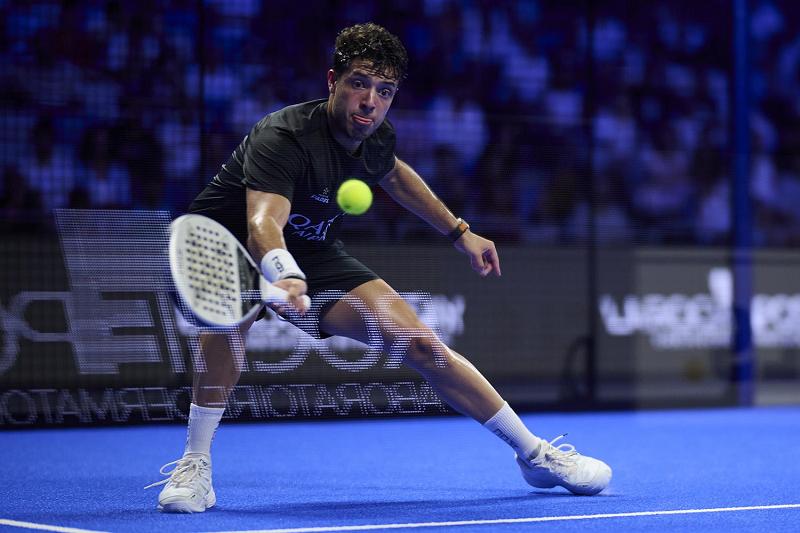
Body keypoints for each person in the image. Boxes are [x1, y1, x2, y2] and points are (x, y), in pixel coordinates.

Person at [146, 23, 611, 513]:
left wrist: (459, 232)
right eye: (359, 83)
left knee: (421, 344)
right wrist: (283, 271)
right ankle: (194, 465)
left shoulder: (374, 137)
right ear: (333, 81)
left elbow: (395, 175)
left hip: (313, 250)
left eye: (385, 91)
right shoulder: (283, 135)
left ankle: (534, 455)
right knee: (227, 325)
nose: (370, 101)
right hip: (228, 244)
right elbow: (262, 221)